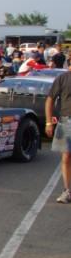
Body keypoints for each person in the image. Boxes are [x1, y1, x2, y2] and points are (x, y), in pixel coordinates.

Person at [46, 59, 71, 203]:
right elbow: (49, 99)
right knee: (66, 157)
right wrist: (49, 122)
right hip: (66, 121)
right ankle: (67, 191)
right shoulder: (62, 78)